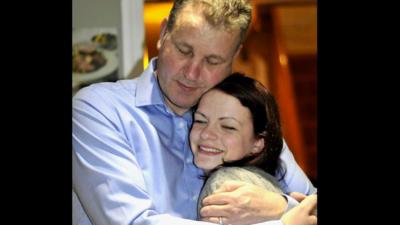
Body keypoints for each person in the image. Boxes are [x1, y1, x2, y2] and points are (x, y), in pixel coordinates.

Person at [72, 0, 316, 224]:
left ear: (234, 55)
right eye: (184, 50)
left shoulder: (244, 117)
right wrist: (282, 221)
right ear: (164, 32)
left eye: (212, 61)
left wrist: (279, 204)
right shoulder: (99, 109)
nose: (192, 73)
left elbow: (312, 206)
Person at [190, 73, 317, 225]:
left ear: (258, 143)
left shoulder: (225, 185)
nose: (206, 134)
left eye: (228, 127)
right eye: (200, 120)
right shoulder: (266, 179)